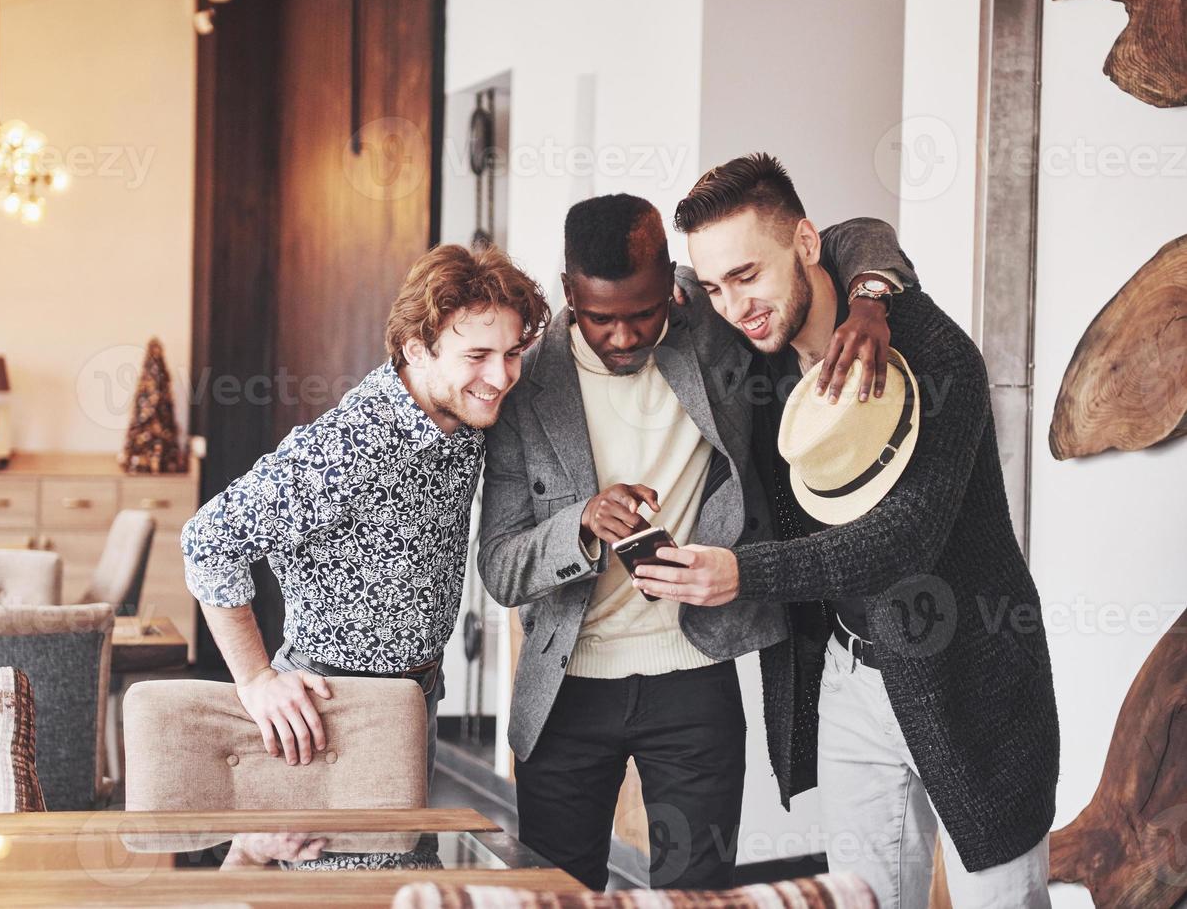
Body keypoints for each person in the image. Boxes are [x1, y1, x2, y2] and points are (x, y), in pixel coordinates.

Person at [635, 153, 1059, 906]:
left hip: (974, 679)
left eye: (747, 275)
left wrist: (743, 573)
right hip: (849, 676)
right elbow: (861, 240)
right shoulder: (756, 358)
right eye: (715, 286)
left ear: (804, 244)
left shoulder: (932, 354)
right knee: (860, 900)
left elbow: (903, 539)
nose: (735, 305)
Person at [476, 193, 916, 891]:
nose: (622, 337)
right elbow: (499, 568)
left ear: (670, 284)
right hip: (564, 697)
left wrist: (870, 301)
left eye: (641, 314)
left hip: (695, 677)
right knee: (555, 898)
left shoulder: (709, 322)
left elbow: (855, 235)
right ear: (567, 292)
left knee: (699, 899)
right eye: (598, 319)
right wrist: (580, 524)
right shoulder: (523, 390)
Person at [181, 243, 550, 787]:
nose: (500, 376)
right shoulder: (353, 444)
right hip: (333, 703)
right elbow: (208, 540)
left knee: (406, 865)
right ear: (416, 349)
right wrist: (256, 678)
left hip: (419, 691)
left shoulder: (463, 410)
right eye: (477, 356)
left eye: (513, 352)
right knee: (355, 872)